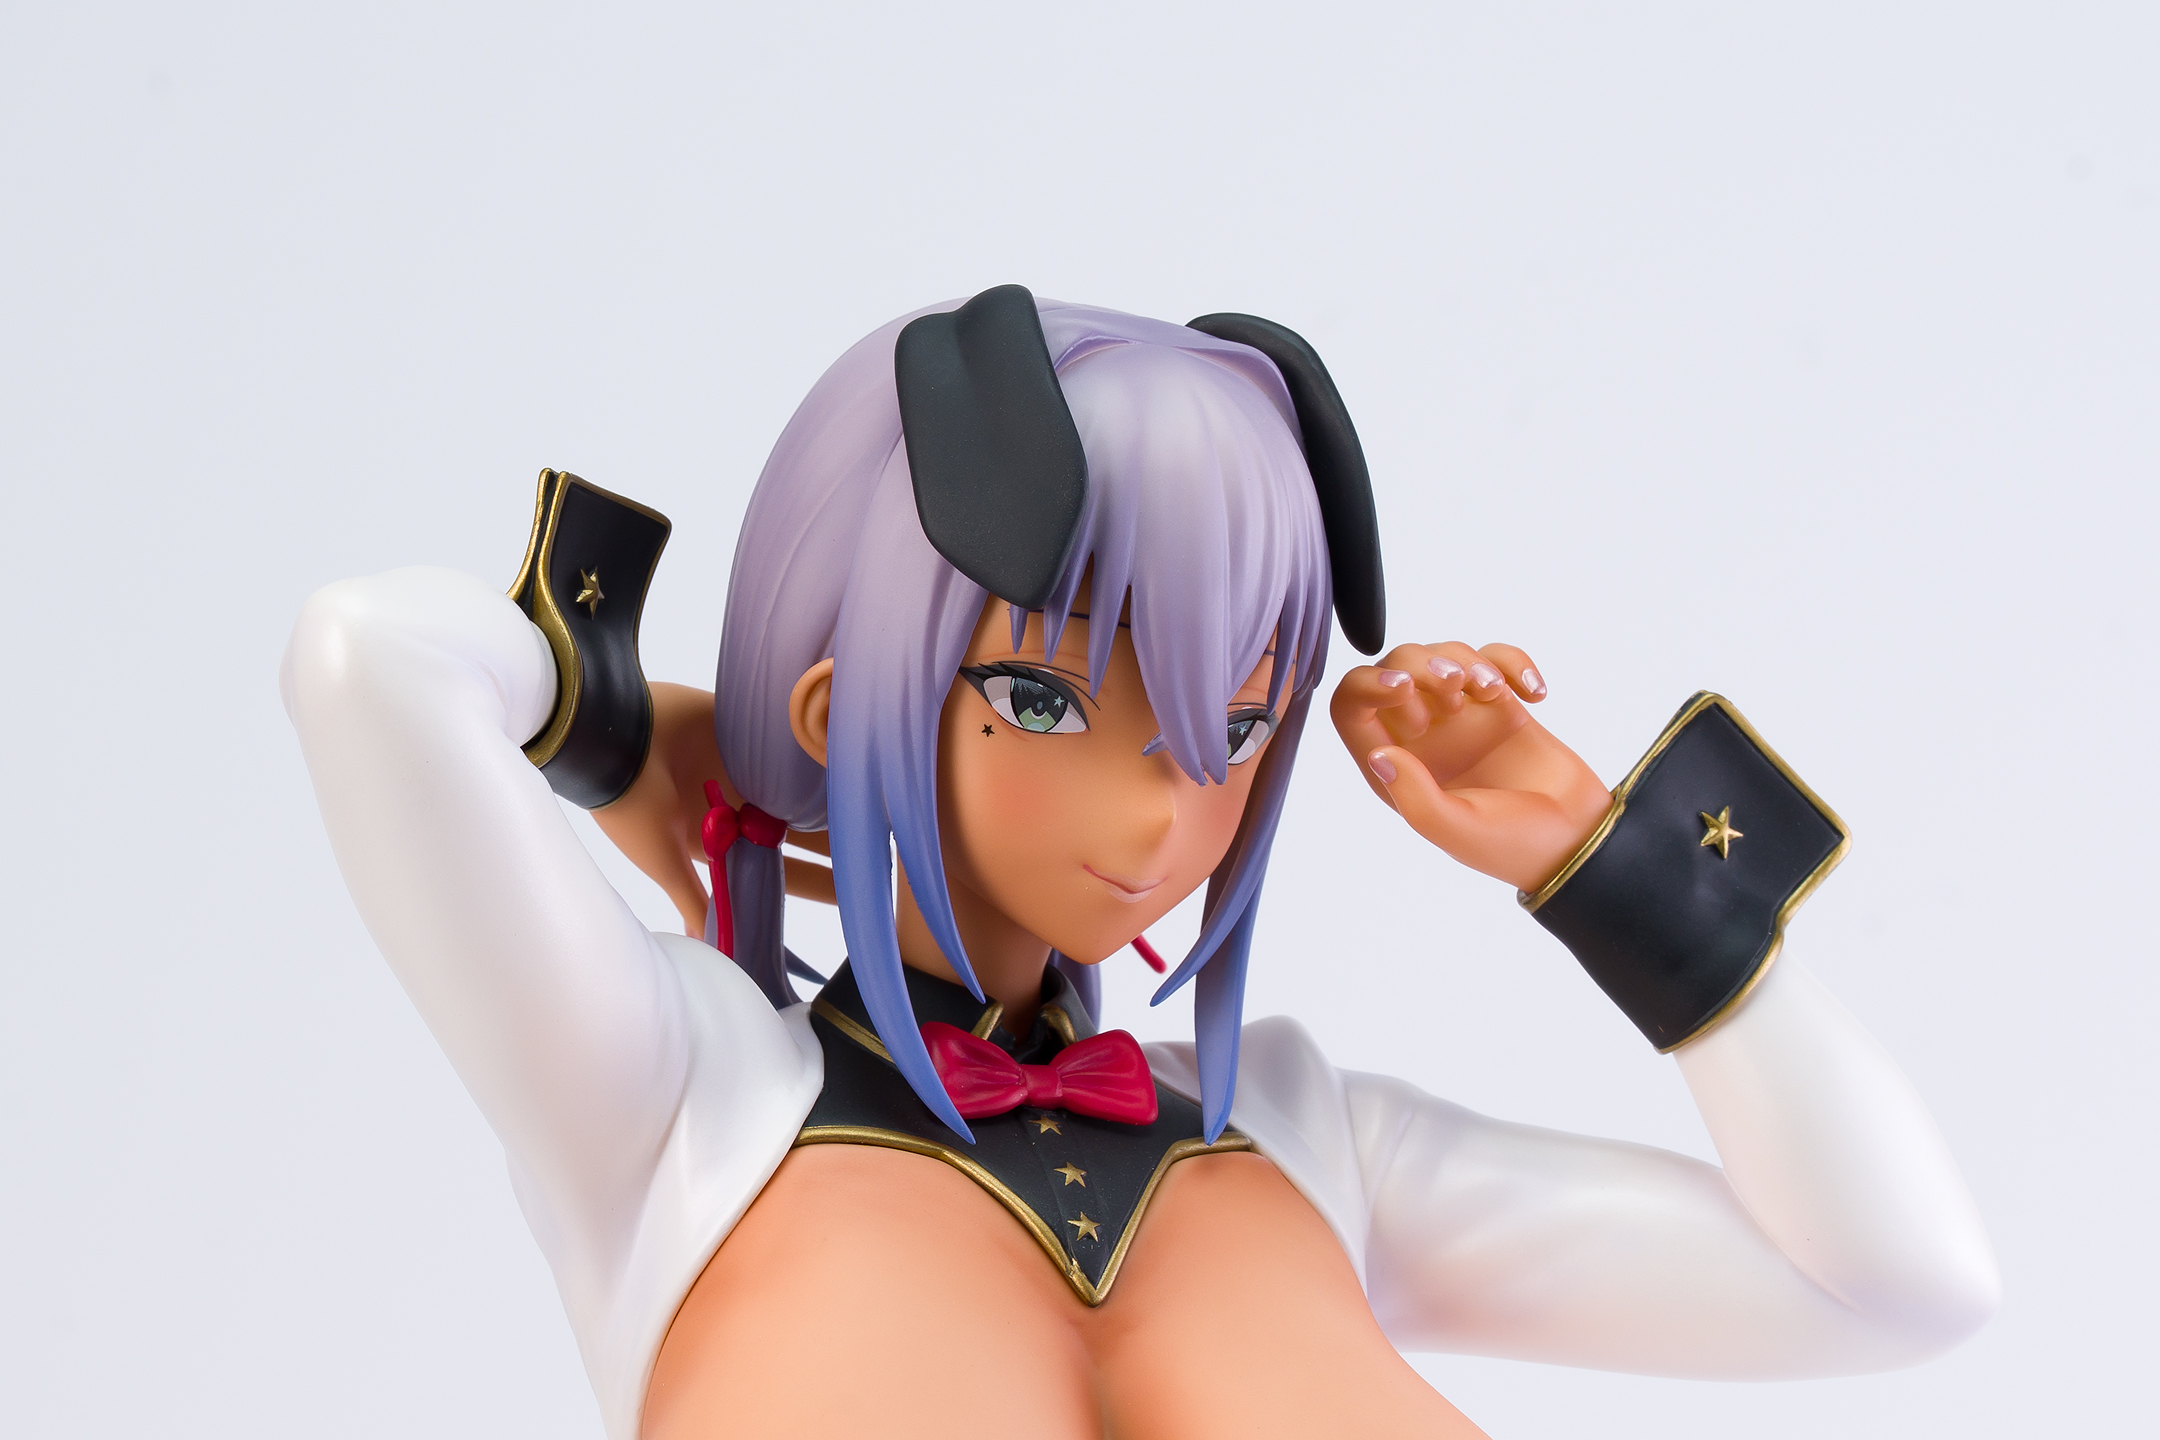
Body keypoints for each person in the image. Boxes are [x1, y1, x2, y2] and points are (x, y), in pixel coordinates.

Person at [282, 291, 1998, 1439]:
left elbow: (1894, 1284)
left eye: (1231, 724)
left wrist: (1608, 870)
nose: (1162, 807)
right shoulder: (677, 1100)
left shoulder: (1309, 1140)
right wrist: (645, 729)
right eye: (1045, 698)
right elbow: (372, 662)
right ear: (845, 698)